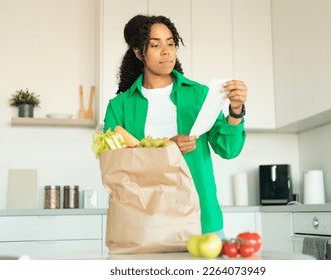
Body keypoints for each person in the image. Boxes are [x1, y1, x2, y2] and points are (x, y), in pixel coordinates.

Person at [103, 14, 247, 239]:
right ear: (139, 53)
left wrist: (236, 110)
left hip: (201, 220)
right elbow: (113, 166)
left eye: (171, 43)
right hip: (144, 221)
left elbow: (228, 149)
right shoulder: (119, 106)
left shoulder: (199, 95)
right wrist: (165, 148)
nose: (166, 51)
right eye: (155, 45)